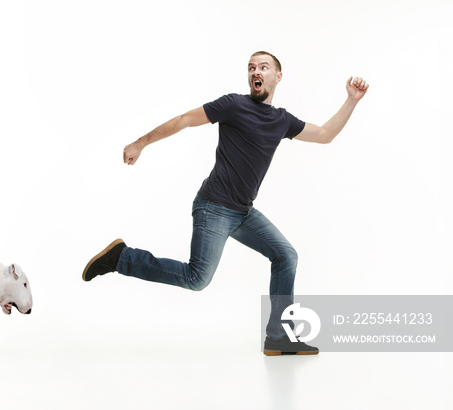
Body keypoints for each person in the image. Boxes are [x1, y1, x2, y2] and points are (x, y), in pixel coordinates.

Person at [81, 51, 369, 355]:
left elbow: (324, 134)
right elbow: (184, 120)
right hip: (214, 206)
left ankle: (280, 337)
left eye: (264, 67)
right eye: (251, 67)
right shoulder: (234, 105)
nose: (256, 71)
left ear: (278, 76)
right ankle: (121, 258)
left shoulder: (282, 120)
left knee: (286, 256)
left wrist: (351, 100)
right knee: (197, 278)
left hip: (243, 211)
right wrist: (140, 143)